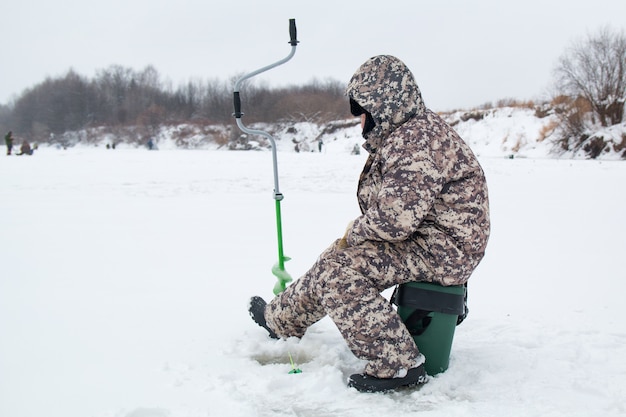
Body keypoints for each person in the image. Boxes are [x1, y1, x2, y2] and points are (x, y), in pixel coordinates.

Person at [249, 55, 490, 392]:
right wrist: (352, 239)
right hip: (430, 240)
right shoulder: (407, 132)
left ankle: (397, 364)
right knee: (338, 259)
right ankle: (281, 320)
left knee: (340, 273)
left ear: (383, 105)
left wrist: (356, 232)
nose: (361, 121)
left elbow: (395, 220)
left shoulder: (416, 142)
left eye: (363, 113)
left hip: (444, 250)